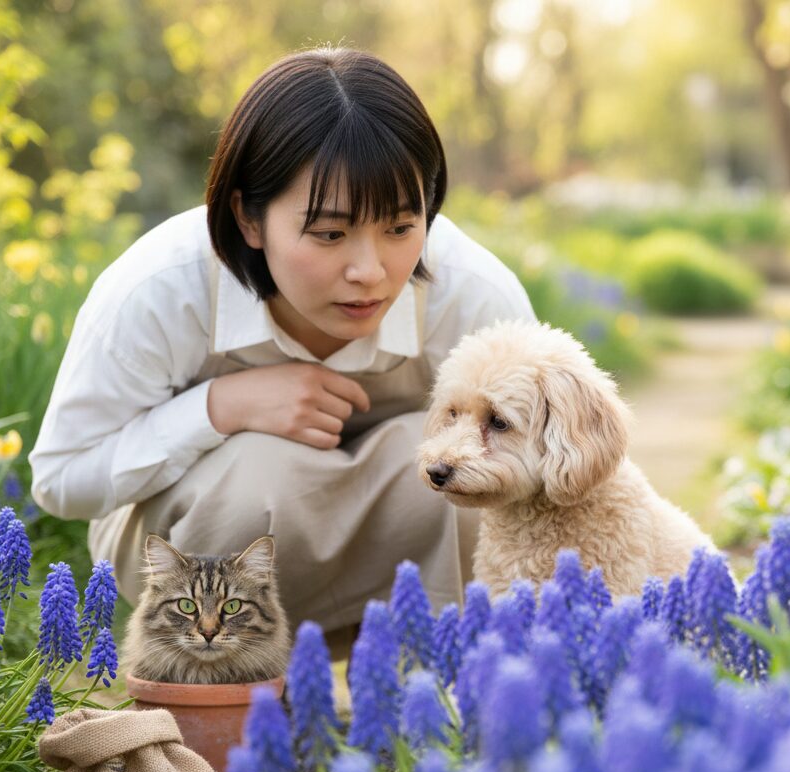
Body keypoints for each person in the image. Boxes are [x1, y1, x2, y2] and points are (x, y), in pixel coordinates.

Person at [29, 47, 536, 637]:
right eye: (329, 233)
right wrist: (221, 407)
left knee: (457, 465)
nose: (370, 270)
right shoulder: (161, 288)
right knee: (254, 471)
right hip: (206, 575)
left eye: (400, 227)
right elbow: (61, 478)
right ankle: (224, 704)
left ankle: (446, 699)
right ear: (248, 217)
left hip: (402, 570)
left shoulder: (474, 295)